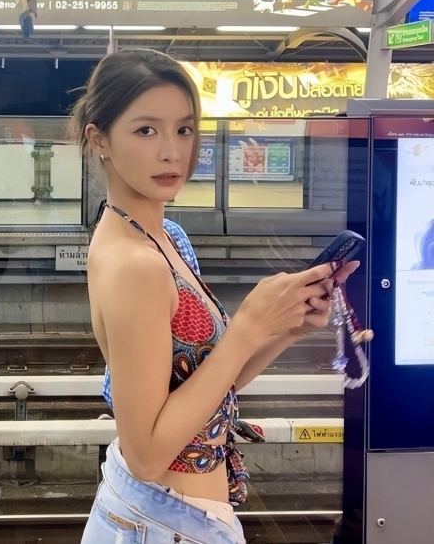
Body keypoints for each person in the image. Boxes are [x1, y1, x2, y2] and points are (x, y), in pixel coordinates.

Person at [71, 49, 359, 544]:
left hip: (175, 517)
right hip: (165, 524)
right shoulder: (137, 265)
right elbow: (146, 456)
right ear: (100, 140)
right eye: (146, 130)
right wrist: (248, 325)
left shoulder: (165, 237)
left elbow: (211, 385)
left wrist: (285, 328)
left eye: (184, 129)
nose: (172, 152)